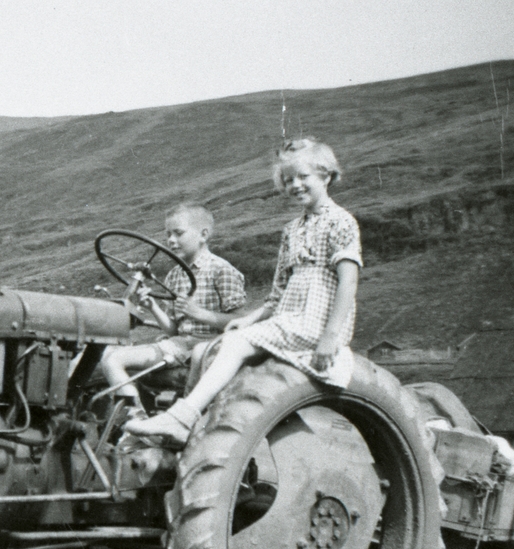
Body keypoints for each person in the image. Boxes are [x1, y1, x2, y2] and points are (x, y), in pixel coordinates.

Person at [127, 138, 361, 444]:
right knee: (205, 350)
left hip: (317, 322)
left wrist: (331, 336)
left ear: (326, 175)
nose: (295, 185)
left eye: (303, 177)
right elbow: (277, 294)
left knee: (235, 345)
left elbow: (348, 281)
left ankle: (183, 417)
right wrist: (250, 319)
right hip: (288, 316)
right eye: (288, 180)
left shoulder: (341, 221)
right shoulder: (292, 230)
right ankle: (192, 423)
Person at [99, 203, 246, 420]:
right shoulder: (175, 275)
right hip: (179, 345)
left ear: (203, 234)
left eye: (178, 233)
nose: (171, 240)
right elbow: (173, 330)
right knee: (109, 355)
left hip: (211, 347)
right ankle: (140, 418)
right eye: (168, 234)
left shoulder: (222, 270)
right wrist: (153, 307)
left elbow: (241, 322)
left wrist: (199, 314)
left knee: (114, 360)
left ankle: (142, 422)